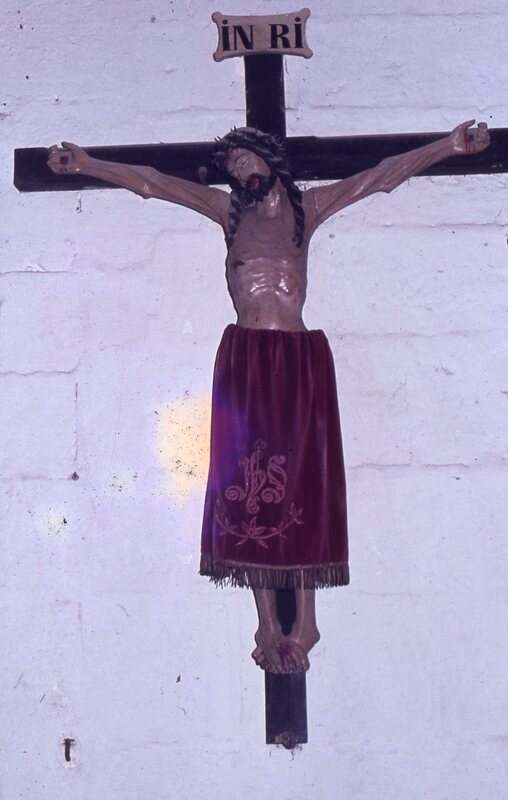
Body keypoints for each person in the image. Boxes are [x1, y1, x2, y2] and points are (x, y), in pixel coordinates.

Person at [47, 119, 490, 673]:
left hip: (299, 359)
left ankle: (306, 622)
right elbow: (153, 182)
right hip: (248, 359)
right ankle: (267, 622)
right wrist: (88, 164)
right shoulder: (227, 214)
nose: (238, 172)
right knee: (245, 483)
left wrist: (449, 145)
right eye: (231, 167)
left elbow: (380, 176)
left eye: (244, 160)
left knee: (303, 479)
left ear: (269, 160)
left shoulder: (311, 209)